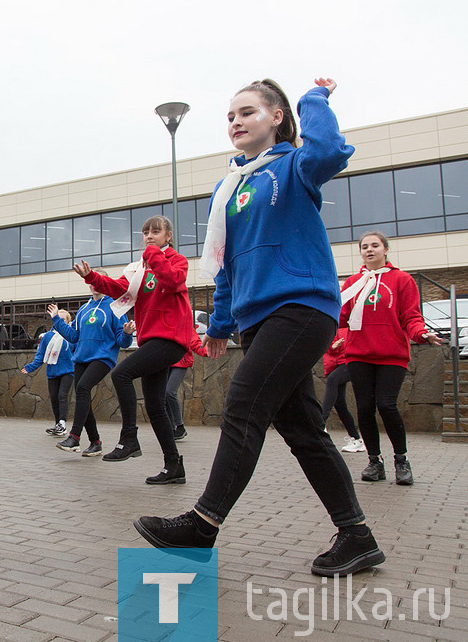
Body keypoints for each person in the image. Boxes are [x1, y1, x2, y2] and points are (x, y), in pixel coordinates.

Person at [134, 78, 386, 577]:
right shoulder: (231, 188)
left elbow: (331, 150)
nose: (235, 122)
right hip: (258, 320)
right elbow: (226, 266)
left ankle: (202, 526)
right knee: (303, 431)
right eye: (230, 116)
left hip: (300, 306)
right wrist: (221, 323)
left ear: (276, 117)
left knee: (244, 406)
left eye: (247, 112)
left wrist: (314, 100)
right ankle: (357, 536)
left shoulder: (294, 167)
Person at [78, 215, 197, 482]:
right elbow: (118, 289)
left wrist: (153, 255)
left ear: (169, 236)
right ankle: (173, 466)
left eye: (156, 232)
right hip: (151, 340)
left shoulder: (176, 260)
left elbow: (172, 281)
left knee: (121, 374)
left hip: (170, 340)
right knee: (155, 407)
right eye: (145, 233)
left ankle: (129, 438)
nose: (149, 236)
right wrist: (92, 277)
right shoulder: (139, 268)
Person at [340, 231, 442, 485]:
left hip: (391, 354)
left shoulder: (402, 280)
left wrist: (421, 333)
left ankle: (401, 460)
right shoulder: (353, 282)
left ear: (386, 250)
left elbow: (411, 316)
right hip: (358, 354)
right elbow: (340, 319)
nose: (369, 250)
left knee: (386, 405)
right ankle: (375, 462)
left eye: (375, 245)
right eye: (364, 247)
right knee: (364, 408)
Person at [48, 273, 132, 456]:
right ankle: (96, 442)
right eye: (91, 282)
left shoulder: (115, 306)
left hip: (102, 358)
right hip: (81, 358)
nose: (94, 285)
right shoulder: (84, 308)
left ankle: (74, 437)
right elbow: (73, 336)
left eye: (97, 281)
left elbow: (122, 342)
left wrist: (126, 333)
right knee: (82, 397)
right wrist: (56, 320)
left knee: (83, 388)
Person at [21, 311, 75, 437]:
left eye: (63, 320)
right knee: (54, 398)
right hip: (53, 372)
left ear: (68, 321)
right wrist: (30, 367)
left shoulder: (71, 335)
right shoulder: (47, 336)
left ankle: (62, 423)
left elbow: (78, 350)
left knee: (62, 395)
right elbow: (40, 355)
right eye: (57, 319)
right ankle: (57, 425)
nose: (59, 322)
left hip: (68, 371)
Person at [321, 327, 363, 452]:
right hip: (334, 365)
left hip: (349, 362)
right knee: (340, 404)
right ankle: (356, 439)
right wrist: (333, 347)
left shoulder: (348, 322)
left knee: (332, 380)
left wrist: (339, 346)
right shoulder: (330, 323)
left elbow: (356, 342)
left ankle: (320, 422)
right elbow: (327, 347)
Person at [166, 334, 207, 442]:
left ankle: (180, 427)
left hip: (181, 363)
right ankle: (170, 429)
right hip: (165, 362)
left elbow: (195, 343)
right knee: (163, 395)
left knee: (169, 392)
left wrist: (206, 351)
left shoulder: (184, 323)